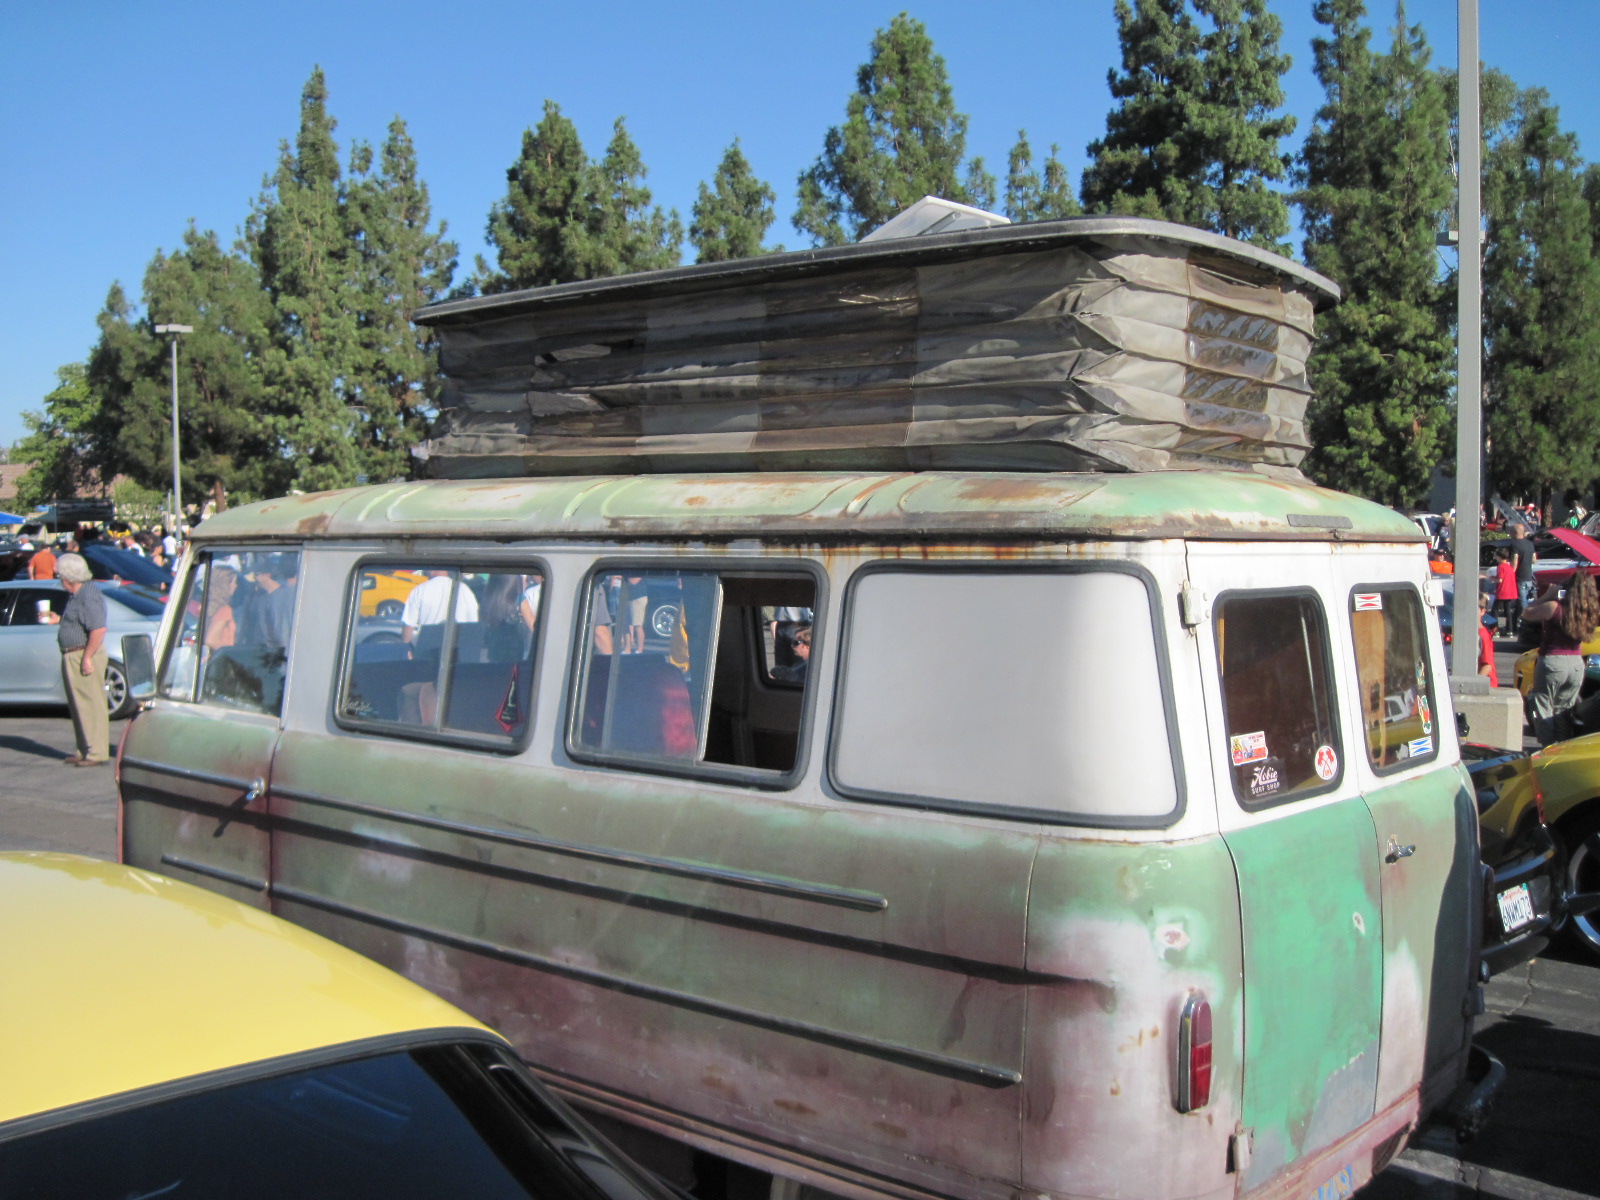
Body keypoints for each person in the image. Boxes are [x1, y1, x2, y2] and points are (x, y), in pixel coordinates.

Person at [44, 554, 110, 767]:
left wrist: (87, 657)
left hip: (83, 653)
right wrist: (60, 620)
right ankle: (84, 749)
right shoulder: (77, 595)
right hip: (73, 653)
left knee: (91, 704)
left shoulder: (88, 594)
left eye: (60, 574)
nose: (58, 577)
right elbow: (79, 622)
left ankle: (96, 752)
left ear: (68, 576)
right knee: (79, 705)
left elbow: (98, 629)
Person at [1523, 572, 1600, 746]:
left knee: (1543, 704)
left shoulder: (1553, 607)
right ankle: (1563, 746)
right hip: (1576, 665)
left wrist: (1547, 595)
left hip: (1553, 660)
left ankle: (1548, 747)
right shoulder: (1590, 612)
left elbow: (1527, 612)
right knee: (1564, 709)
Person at [400, 570, 477, 647]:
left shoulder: (419, 590)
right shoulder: (465, 590)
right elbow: (473, 626)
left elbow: (409, 624)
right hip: (456, 650)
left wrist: (406, 649)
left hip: (426, 648)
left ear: (432, 570)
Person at [1508, 523, 1537, 611]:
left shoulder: (1514, 544)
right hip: (1528, 576)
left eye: (1511, 533)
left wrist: (1510, 573)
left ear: (1515, 533)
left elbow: (1514, 562)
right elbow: (1534, 560)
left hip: (1519, 577)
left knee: (1522, 602)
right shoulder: (1530, 544)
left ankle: (1524, 618)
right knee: (1525, 599)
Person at [1493, 550, 1520, 638]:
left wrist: (1492, 578)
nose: (1495, 558)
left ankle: (1496, 630)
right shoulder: (1509, 567)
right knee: (1507, 611)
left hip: (1502, 592)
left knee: (1495, 611)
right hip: (1510, 592)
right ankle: (1510, 630)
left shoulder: (1500, 567)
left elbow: (1500, 579)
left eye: (1496, 556)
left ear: (1500, 557)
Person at [1476, 594, 1499, 688]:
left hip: (1487, 685)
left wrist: (1474, 684)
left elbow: (1488, 666)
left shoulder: (1482, 635)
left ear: (1482, 611)